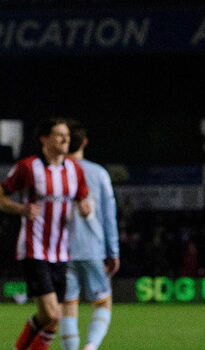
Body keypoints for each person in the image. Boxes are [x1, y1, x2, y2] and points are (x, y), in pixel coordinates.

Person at [0, 118, 91, 350]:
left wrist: (85, 208)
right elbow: (1, 195)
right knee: (53, 314)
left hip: (61, 252)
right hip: (35, 248)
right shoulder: (28, 167)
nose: (65, 139)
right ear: (44, 139)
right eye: (59, 135)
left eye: (67, 135)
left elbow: (83, 199)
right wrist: (21, 208)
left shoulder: (75, 170)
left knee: (48, 319)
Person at [59, 120, 119, 350]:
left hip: (62, 250)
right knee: (103, 303)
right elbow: (109, 216)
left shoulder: (56, 172)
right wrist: (113, 251)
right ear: (84, 142)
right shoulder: (99, 173)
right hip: (93, 248)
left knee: (68, 305)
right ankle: (91, 346)